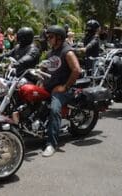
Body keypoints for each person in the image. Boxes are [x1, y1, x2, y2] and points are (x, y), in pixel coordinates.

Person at [41, 25, 81, 157]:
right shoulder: (51, 52)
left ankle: (51, 144)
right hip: (49, 86)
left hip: (62, 89)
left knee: (54, 109)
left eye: (51, 36)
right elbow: (46, 69)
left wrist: (65, 87)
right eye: (48, 36)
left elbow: (76, 70)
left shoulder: (67, 52)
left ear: (59, 38)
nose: (48, 39)